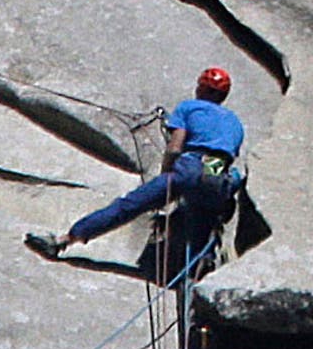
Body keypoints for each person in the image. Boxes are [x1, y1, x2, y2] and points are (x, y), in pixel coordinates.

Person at [26, 67, 245, 266]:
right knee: (203, 221)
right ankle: (199, 268)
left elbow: (175, 148)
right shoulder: (235, 123)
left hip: (188, 169)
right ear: (223, 96)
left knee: (128, 206)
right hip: (217, 175)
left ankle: (63, 241)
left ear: (200, 88)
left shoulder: (189, 108)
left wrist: (166, 175)